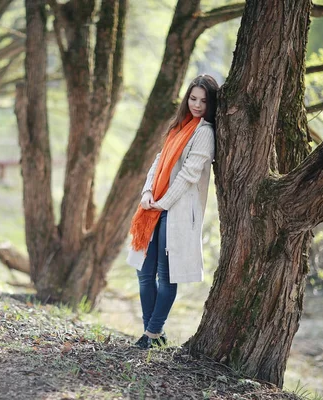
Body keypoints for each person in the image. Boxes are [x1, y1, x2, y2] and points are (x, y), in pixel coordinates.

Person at [127, 74, 219, 349]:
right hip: (153, 205)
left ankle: (152, 334)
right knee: (144, 271)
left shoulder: (204, 132)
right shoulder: (178, 127)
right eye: (193, 98)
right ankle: (152, 332)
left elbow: (189, 175)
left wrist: (163, 202)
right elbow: (158, 162)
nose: (197, 105)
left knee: (166, 275)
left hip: (177, 210)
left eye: (204, 100)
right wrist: (146, 193)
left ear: (211, 103)